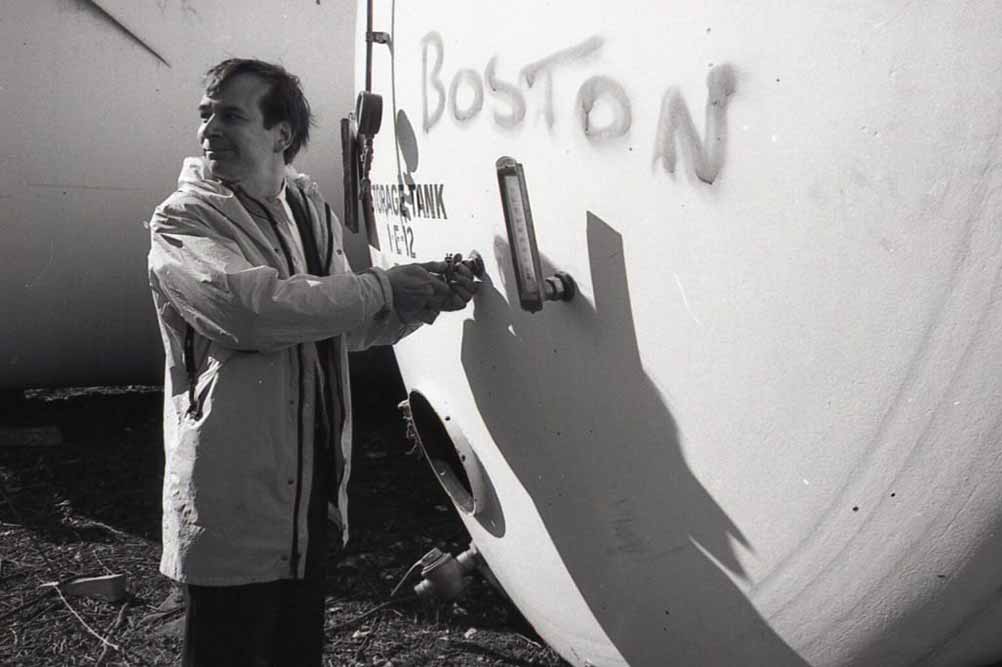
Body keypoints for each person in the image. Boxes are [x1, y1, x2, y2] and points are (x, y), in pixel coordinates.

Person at [146, 58, 477, 666]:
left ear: (281, 134)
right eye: (206, 115)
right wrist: (383, 287)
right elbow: (249, 313)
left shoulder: (306, 209)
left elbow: (339, 326)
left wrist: (423, 301)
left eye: (229, 115)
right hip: (237, 504)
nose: (208, 129)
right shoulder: (183, 219)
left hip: (309, 503)